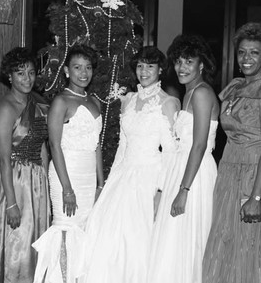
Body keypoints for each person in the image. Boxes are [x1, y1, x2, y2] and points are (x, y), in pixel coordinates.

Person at [202, 22, 261, 283]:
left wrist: (256, 197)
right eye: (242, 52)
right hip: (230, 170)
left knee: (253, 249)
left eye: (254, 52)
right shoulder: (235, 87)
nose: (246, 58)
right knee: (226, 243)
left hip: (259, 175)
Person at [84, 46, 180, 283]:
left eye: (150, 66)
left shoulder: (168, 102)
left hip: (149, 176)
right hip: (123, 174)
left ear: (160, 70)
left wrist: (160, 191)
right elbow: (122, 146)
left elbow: (170, 152)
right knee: (109, 234)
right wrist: (108, 182)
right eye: (140, 66)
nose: (144, 71)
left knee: (138, 238)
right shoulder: (128, 100)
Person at [147, 34, 219, 283]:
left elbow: (198, 145)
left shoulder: (201, 94)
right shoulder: (188, 92)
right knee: (172, 240)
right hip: (180, 169)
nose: (181, 67)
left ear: (202, 64)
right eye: (178, 61)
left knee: (186, 239)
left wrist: (184, 189)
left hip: (194, 175)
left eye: (189, 61)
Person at [32, 45, 104, 283]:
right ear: (66, 71)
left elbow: (96, 146)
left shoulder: (95, 102)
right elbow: (54, 146)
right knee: (66, 232)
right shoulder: (61, 101)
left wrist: (100, 184)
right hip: (66, 174)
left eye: (88, 67)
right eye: (77, 67)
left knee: (84, 233)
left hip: (88, 177)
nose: (83, 73)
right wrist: (67, 188)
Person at [0, 47, 50, 283]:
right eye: (20, 73)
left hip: (36, 181)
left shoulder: (38, 103)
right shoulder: (6, 108)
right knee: (17, 243)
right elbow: (3, 158)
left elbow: (43, 146)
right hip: (13, 180)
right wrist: (11, 203)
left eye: (31, 73)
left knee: (35, 240)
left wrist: (45, 182)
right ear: (10, 77)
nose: (27, 79)